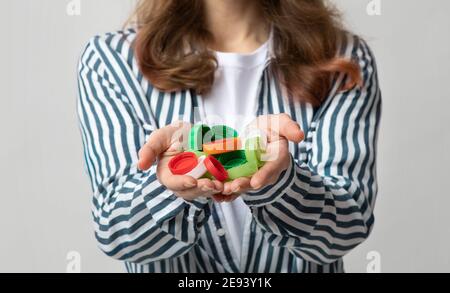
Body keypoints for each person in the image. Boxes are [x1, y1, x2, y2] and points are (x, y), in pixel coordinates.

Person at [77, 0, 381, 273]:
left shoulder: (342, 58)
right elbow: (117, 235)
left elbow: (346, 230)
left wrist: (282, 183)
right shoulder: (111, 61)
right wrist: (172, 189)